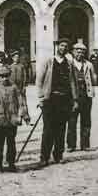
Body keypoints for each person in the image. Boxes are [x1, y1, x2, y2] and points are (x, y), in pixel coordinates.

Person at [36, 38, 79, 167]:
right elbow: (39, 80)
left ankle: (58, 155)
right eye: (61, 46)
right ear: (57, 47)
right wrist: (41, 98)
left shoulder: (69, 63)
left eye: (66, 46)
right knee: (48, 129)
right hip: (50, 100)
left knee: (61, 129)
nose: (63, 48)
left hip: (64, 100)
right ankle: (44, 157)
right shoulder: (48, 61)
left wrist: (75, 100)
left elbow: (73, 82)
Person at [0, 66, 30, 173]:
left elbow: (21, 102)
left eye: (6, 76)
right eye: (1, 76)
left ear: (9, 76)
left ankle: (11, 163)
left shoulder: (14, 87)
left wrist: (24, 115)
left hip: (12, 119)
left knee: (11, 142)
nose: (4, 78)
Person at [67, 41, 97, 152]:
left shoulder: (88, 65)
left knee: (86, 120)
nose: (79, 54)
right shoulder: (69, 64)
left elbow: (94, 80)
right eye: (77, 52)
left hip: (86, 96)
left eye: (82, 52)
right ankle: (71, 145)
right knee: (72, 121)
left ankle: (85, 144)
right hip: (73, 97)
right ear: (73, 52)